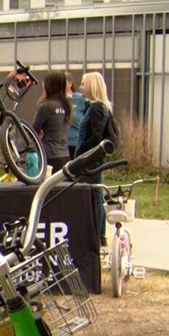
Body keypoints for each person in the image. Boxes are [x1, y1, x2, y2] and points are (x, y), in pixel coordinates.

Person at [74, 71, 114, 248]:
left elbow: (95, 136)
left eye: (83, 84)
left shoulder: (97, 108)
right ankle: (99, 233)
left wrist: (81, 154)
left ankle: (99, 234)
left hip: (91, 159)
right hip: (89, 157)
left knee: (95, 193)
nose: (80, 87)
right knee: (95, 193)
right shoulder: (93, 107)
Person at [31, 71, 72, 176]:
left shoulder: (46, 107)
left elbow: (32, 131)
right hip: (64, 154)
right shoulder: (66, 106)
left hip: (49, 155)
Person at [66, 71, 87, 161]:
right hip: (62, 146)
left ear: (70, 83)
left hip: (76, 143)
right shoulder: (56, 101)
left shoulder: (80, 99)